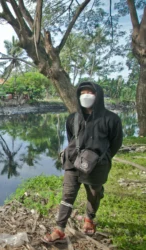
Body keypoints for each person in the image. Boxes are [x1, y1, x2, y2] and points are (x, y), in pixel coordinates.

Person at [43, 81, 123, 244]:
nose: (86, 95)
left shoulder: (111, 119)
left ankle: (89, 219)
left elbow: (115, 143)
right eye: (82, 92)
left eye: (90, 92)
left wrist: (102, 158)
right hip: (73, 162)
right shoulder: (73, 118)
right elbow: (71, 138)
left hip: (97, 165)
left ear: (98, 95)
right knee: (68, 195)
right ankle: (60, 229)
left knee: (94, 194)